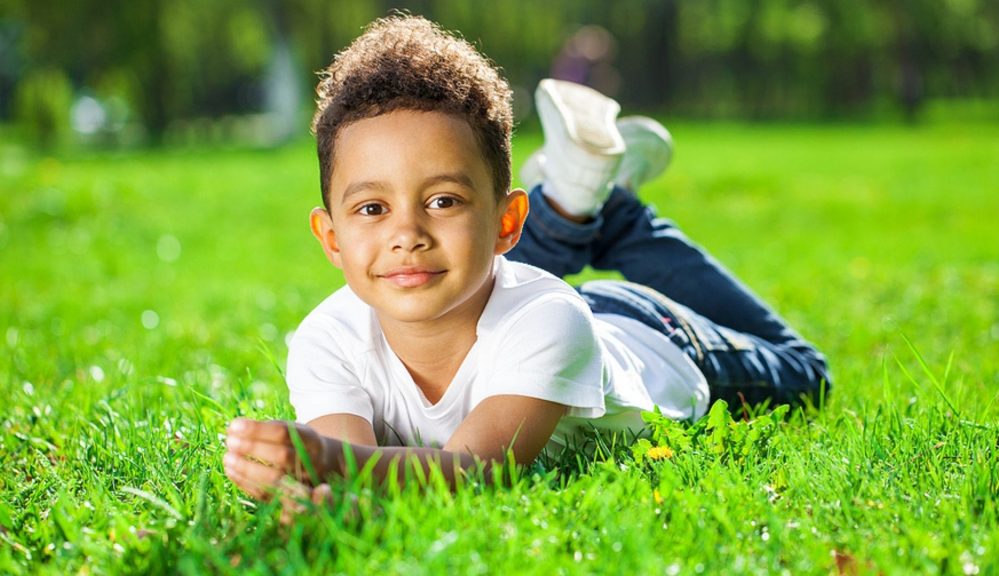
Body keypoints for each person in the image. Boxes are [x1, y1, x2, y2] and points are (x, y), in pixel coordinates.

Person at [222, 15, 830, 503]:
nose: (405, 233)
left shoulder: (551, 321)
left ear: (513, 222)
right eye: (372, 210)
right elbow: (352, 474)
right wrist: (314, 497)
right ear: (330, 238)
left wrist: (328, 464)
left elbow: (471, 472)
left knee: (808, 374)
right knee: (461, 259)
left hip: (659, 339)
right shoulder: (327, 336)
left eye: (441, 199)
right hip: (512, 303)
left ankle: (610, 213)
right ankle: (570, 204)